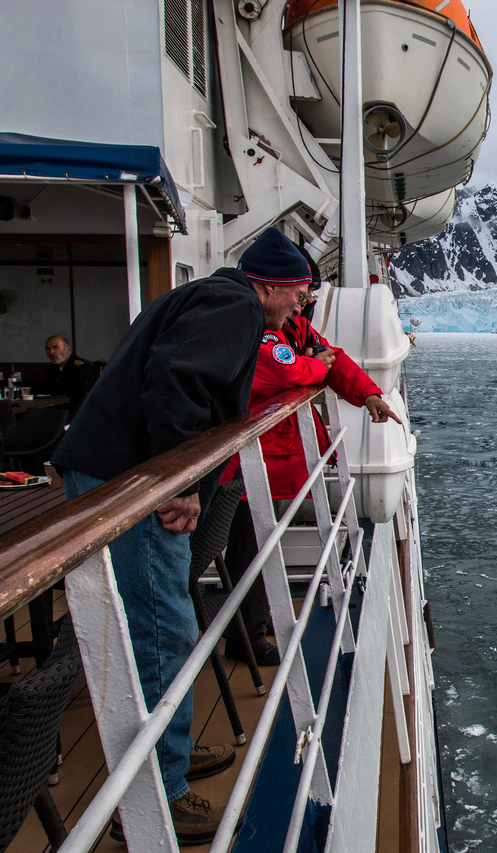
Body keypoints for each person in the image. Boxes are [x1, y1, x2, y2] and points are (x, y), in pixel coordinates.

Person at [50, 227, 312, 845]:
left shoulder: (209, 295)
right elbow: (176, 380)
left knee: (159, 617)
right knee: (163, 621)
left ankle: (167, 750)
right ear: (270, 285)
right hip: (132, 478)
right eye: (298, 295)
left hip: (116, 467)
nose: (299, 308)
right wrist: (179, 480)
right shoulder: (236, 305)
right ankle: (157, 794)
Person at [220, 270, 401, 666]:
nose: (303, 305)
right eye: (300, 297)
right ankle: (244, 638)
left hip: (272, 461)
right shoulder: (264, 334)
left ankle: (254, 622)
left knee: (264, 545)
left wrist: (368, 392)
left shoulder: (294, 330)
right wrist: (312, 364)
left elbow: (334, 360)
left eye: (306, 298)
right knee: (248, 549)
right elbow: (287, 372)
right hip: (251, 465)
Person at [35, 335, 97, 410]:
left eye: (55, 347)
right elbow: (44, 390)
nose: (51, 352)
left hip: (75, 413)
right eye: (48, 349)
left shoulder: (81, 368)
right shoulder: (50, 369)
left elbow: (84, 398)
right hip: (53, 411)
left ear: (68, 349)